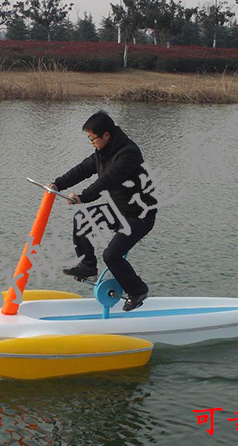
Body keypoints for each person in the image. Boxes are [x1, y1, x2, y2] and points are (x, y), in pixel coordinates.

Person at [49, 111, 157, 311]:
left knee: (111, 255)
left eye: (92, 139)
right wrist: (58, 184)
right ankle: (87, 266)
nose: (91, 143)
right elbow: (83, 169)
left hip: (139, 216)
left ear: (106, 135)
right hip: (118, 209)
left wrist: (83, 197)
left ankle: (137, 291)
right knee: (83, 219)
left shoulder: (129, 153)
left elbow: (108, 180)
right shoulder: (103, 151)